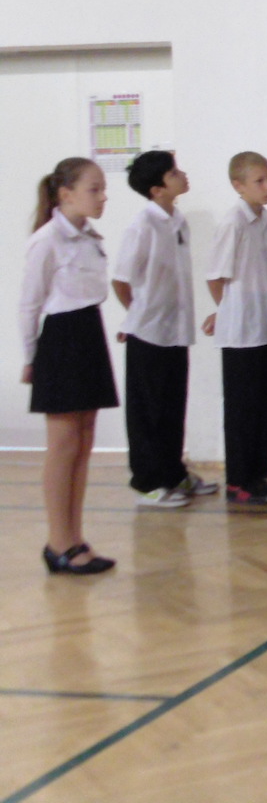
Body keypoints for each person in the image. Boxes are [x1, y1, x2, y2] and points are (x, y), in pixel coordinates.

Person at [20, 158, 118, 574]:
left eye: (102, 189)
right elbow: (29, 304)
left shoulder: (89, 236)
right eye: (94, 189)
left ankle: (75, 538)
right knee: (63, 447)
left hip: (88, 333)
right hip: (61, 341)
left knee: (84, 442)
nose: (103, 196)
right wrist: (30, 357)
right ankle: (58, 542)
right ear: (65, 195)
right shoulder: (47, 240)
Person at [112, 150, 213, 508]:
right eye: (173, 173)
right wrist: (139, 315)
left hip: (176, 331)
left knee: (172, 407)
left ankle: (173, 473)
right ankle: (147, 482)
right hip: (149, 333)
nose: (182, 175)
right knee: (147, 412)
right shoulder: (142, 226)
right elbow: (121, 280)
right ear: (157, 189)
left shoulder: (177, 220)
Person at [203, 151, 267, 505]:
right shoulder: (233, 223)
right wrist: (225, 310)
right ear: (238, 186)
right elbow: (215, 276)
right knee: (242, 410)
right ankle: (239, 481)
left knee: (263, 408)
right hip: (241, 333)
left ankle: (258, 477)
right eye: (259, 181)